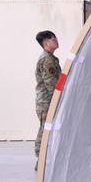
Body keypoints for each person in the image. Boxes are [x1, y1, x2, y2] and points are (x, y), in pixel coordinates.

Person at [34, 30, 60, 165]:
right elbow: (52, 84)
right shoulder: (47, 60)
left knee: (46, 128)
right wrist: (59, 99)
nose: (57, 41)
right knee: (45, 129)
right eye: (53, 39)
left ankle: (43, 160)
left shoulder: (51, 58)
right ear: (46, 43)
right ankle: (41, 160)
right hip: (47, 101)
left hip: (48, 100)